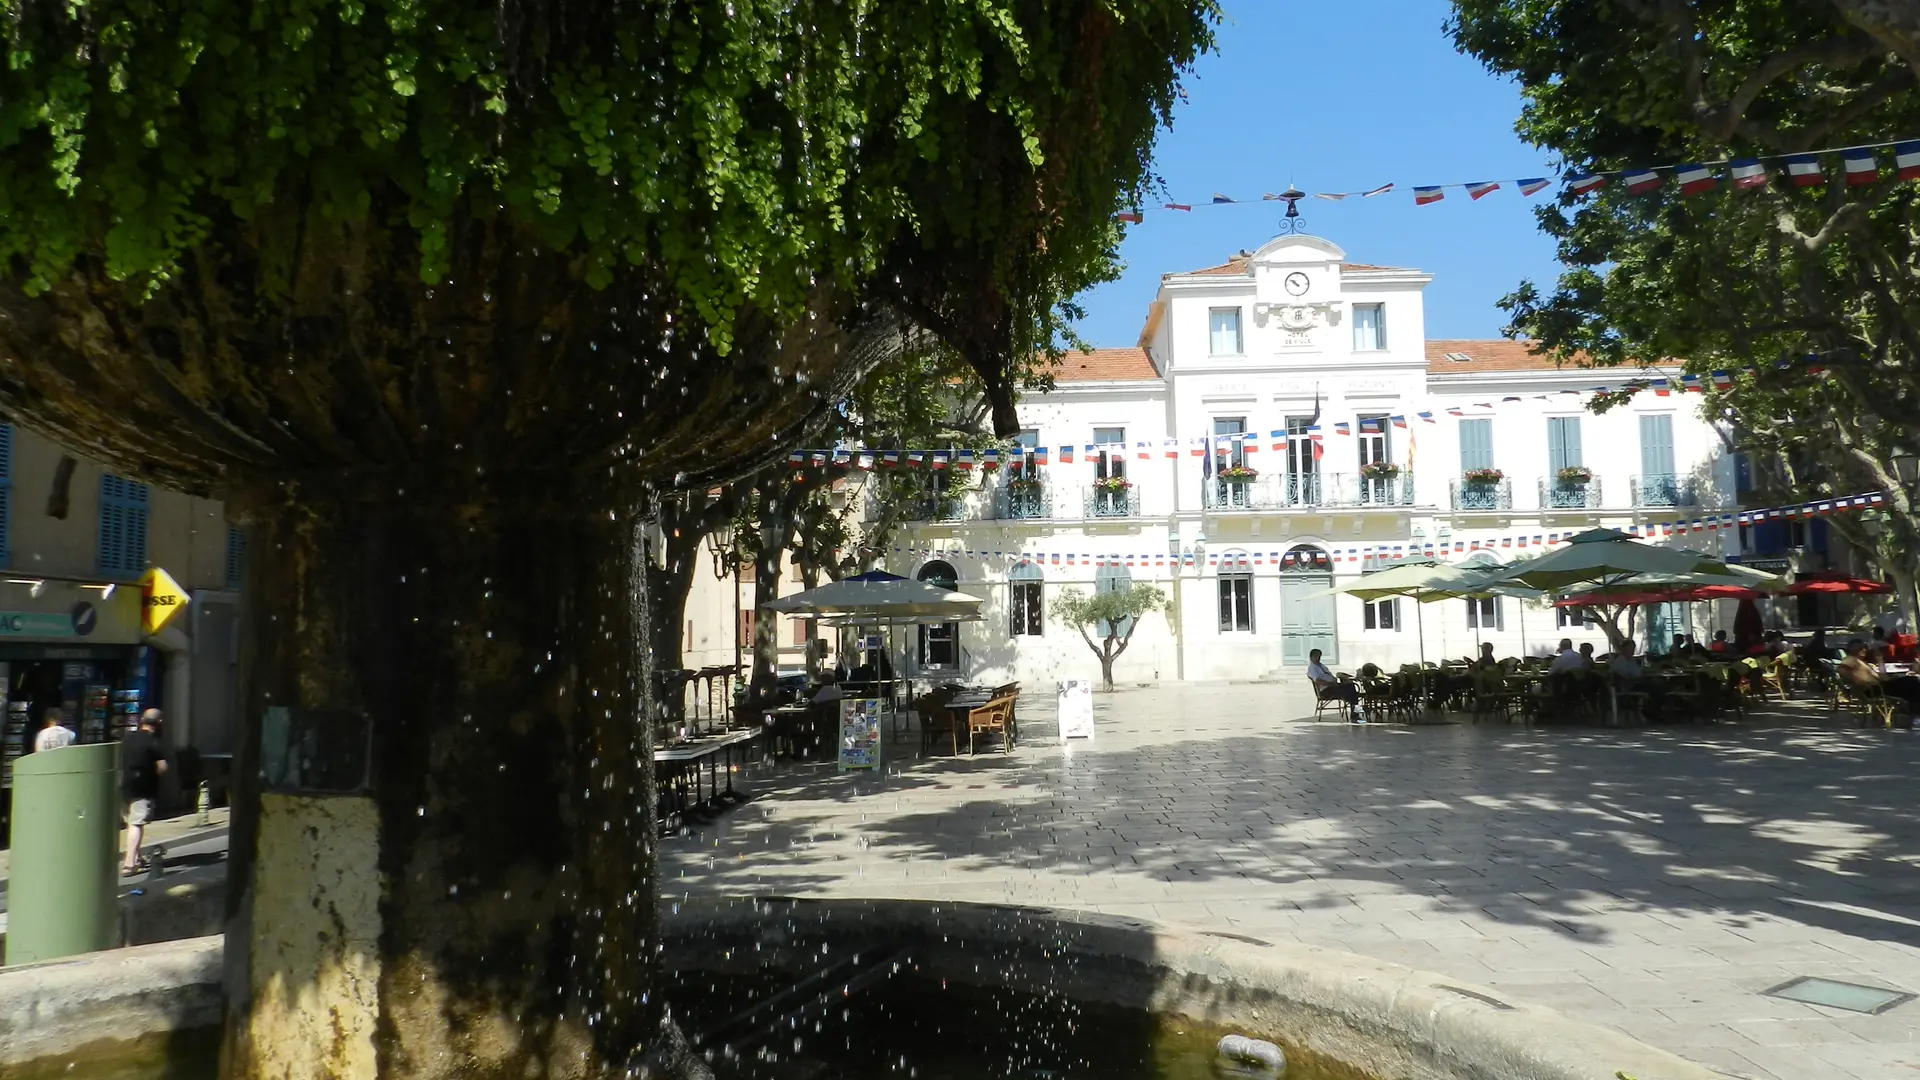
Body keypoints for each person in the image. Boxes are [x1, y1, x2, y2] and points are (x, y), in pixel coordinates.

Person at [120, 709, 169, 876]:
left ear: (142, 720)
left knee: (130, 823)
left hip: (124, 787)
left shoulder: (127, 738)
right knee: (136, 824)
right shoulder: (153, 742)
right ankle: (129, 863)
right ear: (159, 723)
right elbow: (162, 767)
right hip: (143, 787)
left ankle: (137, 857)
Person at [1839, 640, 1920, 716]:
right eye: (1861, 648)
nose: (1864, 650)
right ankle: (1913, 711)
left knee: (1911, 684)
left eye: (1865, 648)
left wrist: (1880, 660)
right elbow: (1842, 670)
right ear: (1852, 649)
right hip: (1872, 689)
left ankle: (1912, 711)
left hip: (1879, 686)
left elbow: (1883, 677)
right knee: (1911, 681)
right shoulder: (1849, 660)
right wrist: (1856, 681)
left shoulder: (1861, 662)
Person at [1306, 648, 1359, 713]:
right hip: (1326, 689)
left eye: (1319, 656)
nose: (1318, 658)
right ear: (1311, 657)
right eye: (1316, 656)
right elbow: (1317, 680)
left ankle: (1355, 708)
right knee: (1350, 691)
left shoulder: (1320, 665)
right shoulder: (1312, 668)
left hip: (1332, 686)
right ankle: (1355, 711)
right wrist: (1330, 684)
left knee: (1351, 687)